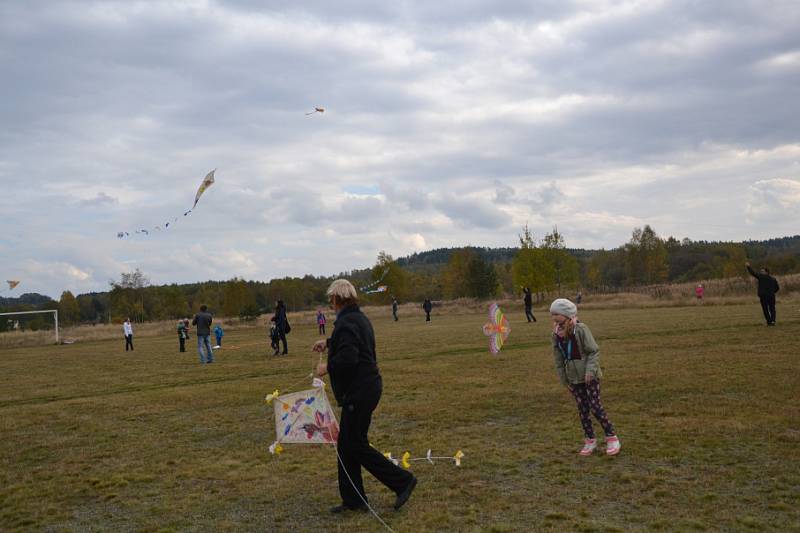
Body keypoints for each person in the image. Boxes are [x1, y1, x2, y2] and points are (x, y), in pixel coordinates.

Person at [313, 279, 417, 514]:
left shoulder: (346, 322)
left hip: (360, 392)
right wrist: (328, 343)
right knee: (346, 445)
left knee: (354, 444)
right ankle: (354, 500)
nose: (330, 303)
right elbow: (351, 343)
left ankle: (402, 481)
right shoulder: (356, 318)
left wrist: (327, 367)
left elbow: (349, 358)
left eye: (331, 299)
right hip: (366, 389)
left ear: (338, 299)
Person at [550, 298, 620, 457]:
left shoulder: (581, 329)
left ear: (567, 315)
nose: (554, 317)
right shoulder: (556, 334)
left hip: (590, 377)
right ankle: (590, 440)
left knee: (595, 407)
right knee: (583, 410)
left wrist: (590, 371)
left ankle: (611, 437)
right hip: (574, 379)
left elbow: (593, 351)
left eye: (557, 314)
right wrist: (564, 380)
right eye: (552, 314)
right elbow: (558, 359)